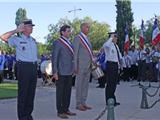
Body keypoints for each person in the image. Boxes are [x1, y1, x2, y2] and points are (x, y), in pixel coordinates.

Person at [0, 19, 38, 120]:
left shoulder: (33, 40)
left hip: (33, 67)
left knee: (31, 94)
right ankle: (22, 117)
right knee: (23, 94)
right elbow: (2, 37)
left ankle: (28, 115)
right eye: (30, 26)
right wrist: (16, 30)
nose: (32, 28)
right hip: (24, 67)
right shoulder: (16, 39)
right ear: (23, 28)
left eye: (32, 26)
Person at [52, 25, 76, 119]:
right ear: (62, 32)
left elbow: (72, 57)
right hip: (61, 71)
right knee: (60, 92)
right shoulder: (58, 42)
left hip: (69, 71)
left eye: (70, 31)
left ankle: (66, 109)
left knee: (68, 92)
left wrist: (73, 68)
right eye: (68, 31)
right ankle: (60, 111)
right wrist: (55, 72)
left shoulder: (69, 42)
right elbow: (55, 58)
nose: (70, 32)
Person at [73, 23, 93, 111]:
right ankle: (78, 103)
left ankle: (84, 102)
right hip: (80, 65)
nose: (88, 28)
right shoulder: (78, 38)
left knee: (85, 85)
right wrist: (75, 66)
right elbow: (75, 53)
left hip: (88, 65)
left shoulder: (88, 39)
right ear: (82, 28)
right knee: (79, 85)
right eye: (87, 27)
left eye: (89, 27)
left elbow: (89, 53)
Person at [103, 32, 122, 106]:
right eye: (115, 37)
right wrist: (111, 38)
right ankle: (108, 100)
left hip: (115, 65)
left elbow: (119, 56)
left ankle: (113, 99)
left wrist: (120, 65)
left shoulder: (116, 46)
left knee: (114, 84)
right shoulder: (108, 45)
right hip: (110, 65)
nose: (117, 38)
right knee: (110, 84)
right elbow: (105, 45)